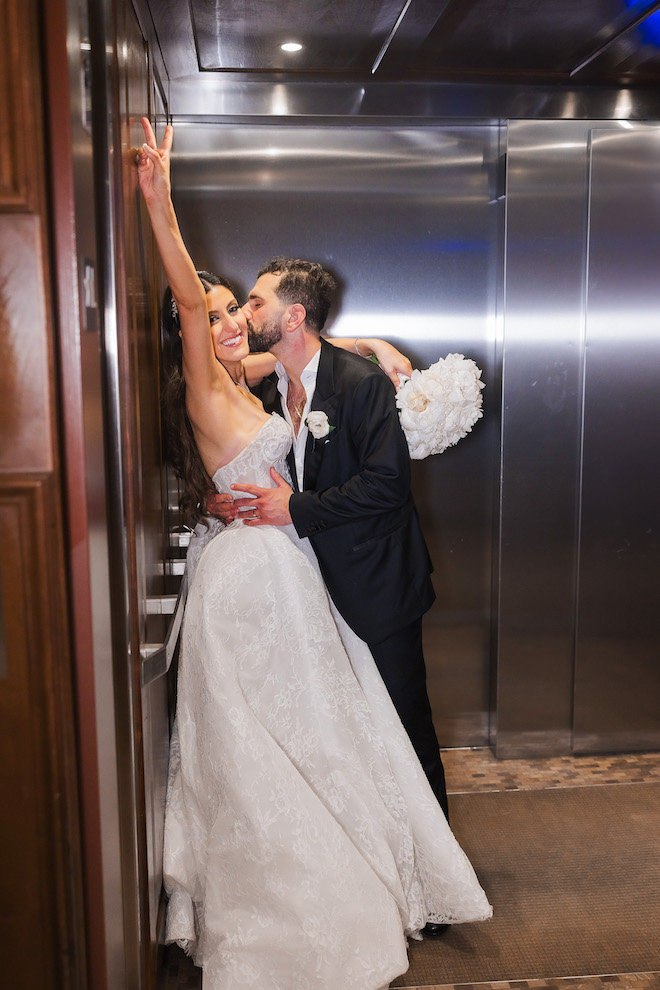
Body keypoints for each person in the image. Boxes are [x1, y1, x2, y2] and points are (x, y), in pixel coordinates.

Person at [137, 117, 491, 990]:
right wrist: (158, 202)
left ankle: (380, 863)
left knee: (343, 727)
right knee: (271, 740)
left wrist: (375, 349)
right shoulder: (208, 371)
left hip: (311, 573)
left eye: (242, 310)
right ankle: (285, 888)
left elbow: (326, 364)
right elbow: (188, 301)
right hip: (256, 576)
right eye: (223, 313)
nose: (232, 322)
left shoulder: (254, 376)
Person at [229, 261, 450, 831]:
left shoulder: (360, 383)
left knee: (404, 726)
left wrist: (295, 509)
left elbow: (387, 484)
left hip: (379, 586)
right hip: (314, 588)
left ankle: (436, 882)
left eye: (255, 303)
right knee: (356, 734)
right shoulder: (275, 386)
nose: (245, 312)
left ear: (293, 316)